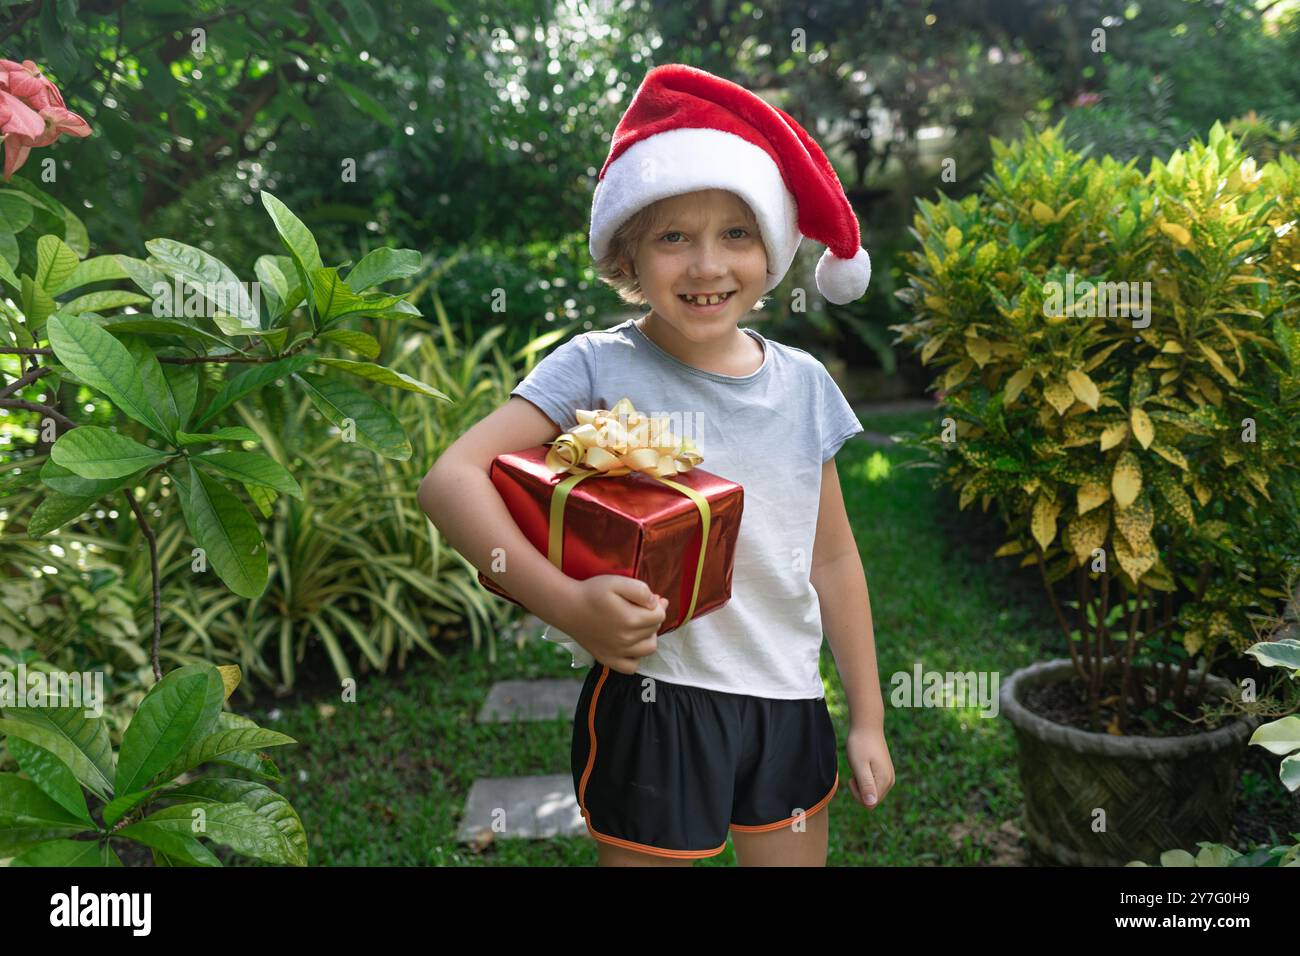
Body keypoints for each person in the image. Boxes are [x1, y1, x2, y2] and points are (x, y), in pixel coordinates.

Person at [419, 63, 893, 866]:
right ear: (628, 253)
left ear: (772, 249)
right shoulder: (594, 368)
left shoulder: (806, 385)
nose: (707, 266)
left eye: (736, 234)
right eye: (674, 235)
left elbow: (834, 557)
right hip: (655, 699)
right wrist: (568, 605)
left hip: (787, 700)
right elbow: (450, 480)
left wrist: (868, 718)